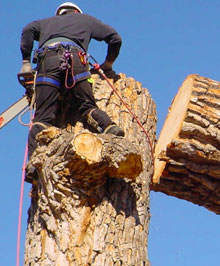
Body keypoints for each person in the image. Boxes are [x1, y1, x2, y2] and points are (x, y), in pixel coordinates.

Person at [19, 2, 125, 182]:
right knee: (87, 106)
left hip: (48, 62)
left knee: (42, 118)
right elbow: (115, 38)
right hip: (77, 61)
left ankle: (34, 163)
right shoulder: (86, 20)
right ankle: (109, 127)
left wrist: (26, 63)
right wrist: (108, 64)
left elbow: (28, 30)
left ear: (59, 13)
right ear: (76, 12)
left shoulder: (45, 22)